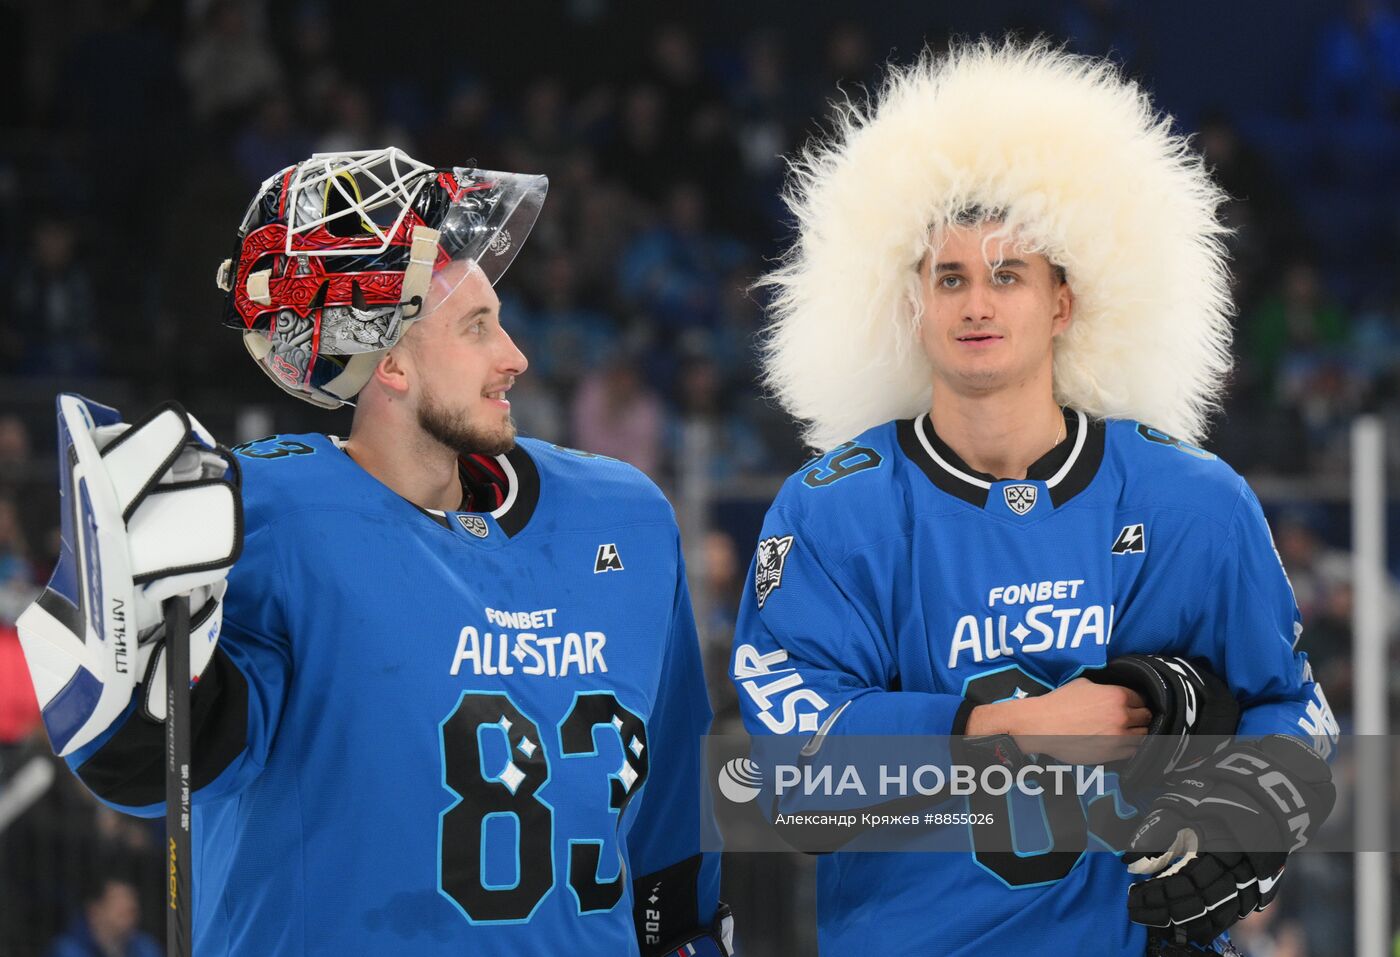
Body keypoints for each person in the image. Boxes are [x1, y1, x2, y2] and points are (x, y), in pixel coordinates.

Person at [17, 148, 731, 956]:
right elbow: (152, 769)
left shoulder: (624, 517)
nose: (516, 358)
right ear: (389, 361)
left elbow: (674, 817)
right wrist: (131, 660)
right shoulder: (263, 519)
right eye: (476, 328)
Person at [731, 42, 1337, 955]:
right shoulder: (832, 511)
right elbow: (788, 775)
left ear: (1063, 302)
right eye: (951, 277)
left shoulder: (1193, 502)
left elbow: (1297, 708)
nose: (978, 303)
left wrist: (1254, 802)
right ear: (913, 303)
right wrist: (1012, 726)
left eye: (1008, 274)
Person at [46, 876, 162, 957]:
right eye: (120, 910)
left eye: (132, 910)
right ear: (94, 911)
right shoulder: (66, 950)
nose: (130, 916)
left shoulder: (146, 948)